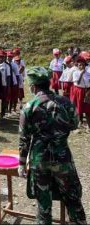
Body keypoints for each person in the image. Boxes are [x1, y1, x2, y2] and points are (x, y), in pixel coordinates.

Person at [18, 66, 87, 225]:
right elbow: (75, 124)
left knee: (43, 204)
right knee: (73, 199)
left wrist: (21, 164)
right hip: (62, 157)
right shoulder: (66, 102)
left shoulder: (29, 107)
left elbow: (24, 139)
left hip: (39, 160)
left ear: (34, 86)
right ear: (48, 83)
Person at [72, 58, 90, 130]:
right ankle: (80, 121)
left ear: (85, 65)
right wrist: (81, 74)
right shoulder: (75, 73)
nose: (81, 66)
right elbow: (77, 83)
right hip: (79, 91)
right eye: (80, 65)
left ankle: (88, 125)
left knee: (87, 108)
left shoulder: (88, 74)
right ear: (77, 65)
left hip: (87, 92)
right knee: (79, 107)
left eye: (83, 65)